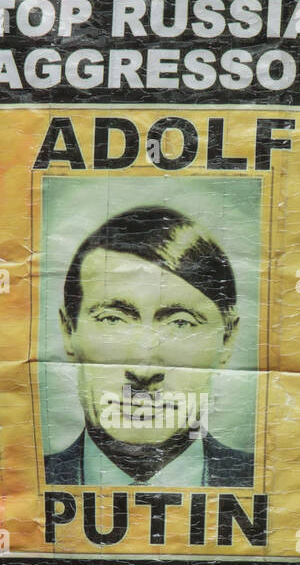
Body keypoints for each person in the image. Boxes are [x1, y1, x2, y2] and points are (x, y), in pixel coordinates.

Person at [45, 205, 253, 487]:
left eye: (181, 323)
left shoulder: (275, 484)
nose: (143, 368)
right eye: (112, 319)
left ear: (227, 340)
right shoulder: (18, 483)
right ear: (69, 331)